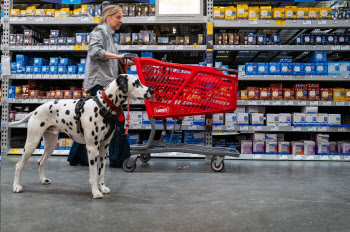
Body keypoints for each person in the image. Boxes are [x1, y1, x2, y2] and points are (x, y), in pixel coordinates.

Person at [68, 5, 132, 167]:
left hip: (106, 84)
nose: (121, 21)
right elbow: (94, 51)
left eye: (121, 17)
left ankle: (78, 157)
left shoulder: (110, 36)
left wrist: (125, 62)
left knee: (90, 123)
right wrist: (118, 56)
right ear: (108, 17)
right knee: (115, 120)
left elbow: (111, 60)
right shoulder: (100, 31)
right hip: (99, 84)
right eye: (118, 17)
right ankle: (120, 159)